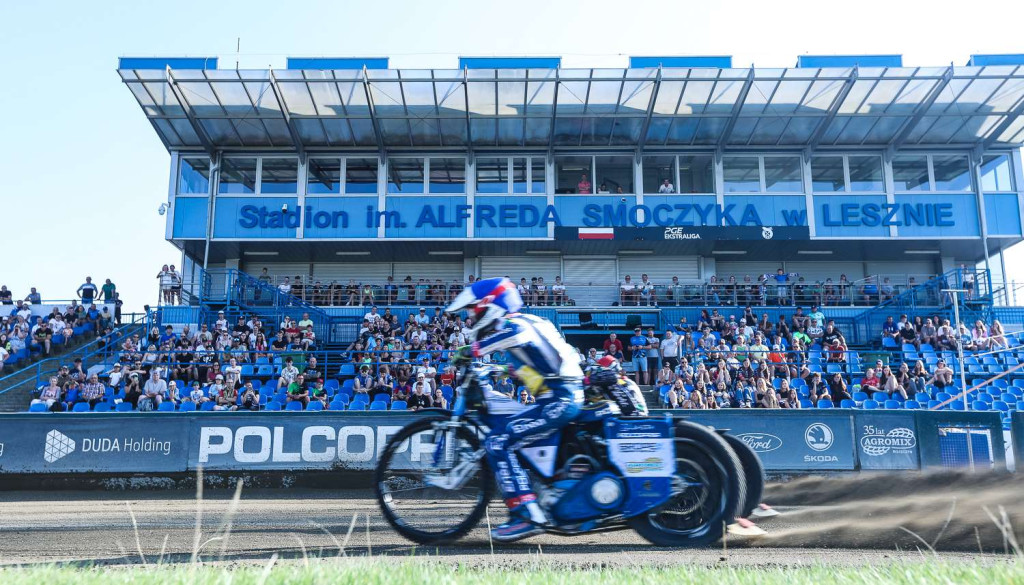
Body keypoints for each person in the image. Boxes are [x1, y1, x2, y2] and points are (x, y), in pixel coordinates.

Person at [446, 277, 584, 543]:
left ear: (490, 306)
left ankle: (526, 514)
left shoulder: (516, 325)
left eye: (473, 310)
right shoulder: (535, 321)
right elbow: (539, 369)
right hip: (560, 396)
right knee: (511, 434)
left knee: (498, 442)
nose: (471, 318)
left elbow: (515, 336)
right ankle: (540, 499)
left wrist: (472, 350)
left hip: (560, 400)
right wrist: (498, 369)